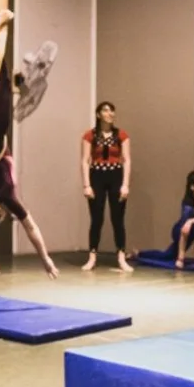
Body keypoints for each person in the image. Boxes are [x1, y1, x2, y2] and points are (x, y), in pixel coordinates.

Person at [0, 9, 59, 281]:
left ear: (0, 212)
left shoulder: (7, 198)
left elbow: (31, 228)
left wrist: (45, 259)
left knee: (0, 84)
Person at [80, 102, 131, 272]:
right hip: (97, 176)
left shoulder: (121, 135)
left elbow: (127, 160)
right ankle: (92, 256)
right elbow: (85, 160)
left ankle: (121, 256)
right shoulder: (90, 135)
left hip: (115, 175)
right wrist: (87, 185)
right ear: (98, 114)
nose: (110, 113)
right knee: (96, 218)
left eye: (112, 110)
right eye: (106, 110)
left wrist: (125, 184)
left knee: (118, 219)